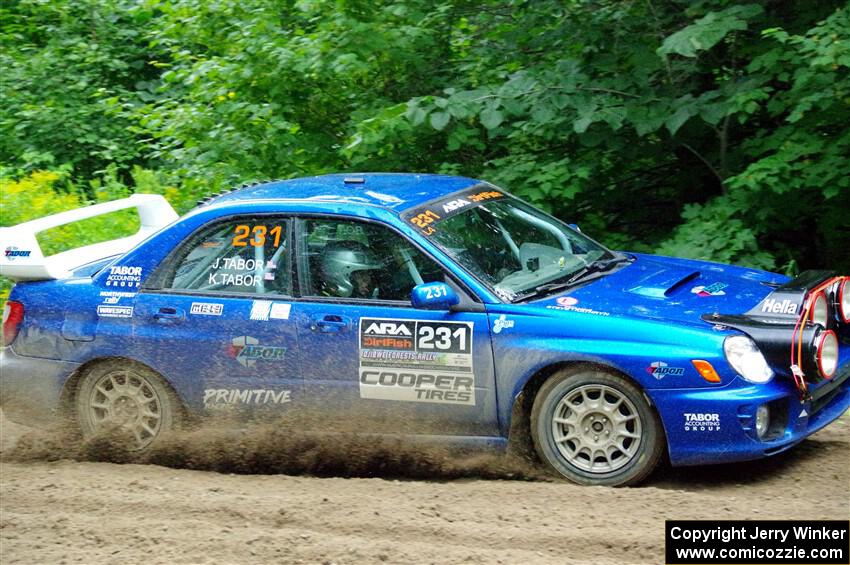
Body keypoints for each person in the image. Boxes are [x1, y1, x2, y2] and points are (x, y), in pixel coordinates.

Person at [319, 240, 383, 298]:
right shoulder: (325, 304)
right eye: (361, 274)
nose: (368, 279)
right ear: (339, 275)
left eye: (368, 273)